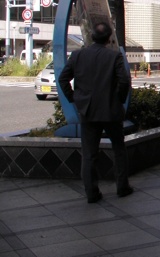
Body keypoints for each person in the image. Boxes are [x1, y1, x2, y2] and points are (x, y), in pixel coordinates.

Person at [59, 22, 133, 203]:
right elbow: (124, 81)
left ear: (91, 36)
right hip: (111, 109)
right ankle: (122, 187)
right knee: (119, 148)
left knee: (89, 153)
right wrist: (119, 100)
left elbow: (63, 79)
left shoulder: (77, 55)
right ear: (109, 38)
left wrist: (74, 98)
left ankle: (91, 193)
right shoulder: (114, 56)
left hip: (88, 110)